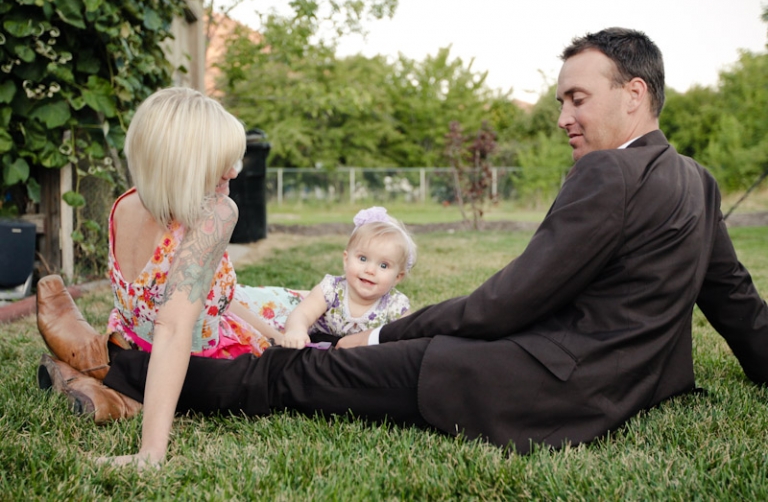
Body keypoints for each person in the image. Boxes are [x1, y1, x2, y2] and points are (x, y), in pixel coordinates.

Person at [42, 27, 768, 468]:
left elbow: (511, 299)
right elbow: (735, 300)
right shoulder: (695, 182)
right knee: (299, 356)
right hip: (607, 386)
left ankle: (121, 367)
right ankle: (113, 374)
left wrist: (381, 330)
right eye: (559, 100)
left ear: (634, 94)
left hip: (527, 385)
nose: (562, 117)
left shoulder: (608, 171)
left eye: (576, 98)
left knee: (294, 376)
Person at [35, 87, 300, 458]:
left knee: (285, 308)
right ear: (184, 163)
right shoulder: (216, 212)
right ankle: (116, 394)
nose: (236, 170)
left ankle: (108, 387)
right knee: (311, 306)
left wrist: (275, 333)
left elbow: (209, 300)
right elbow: (175, 328)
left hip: (132, 345)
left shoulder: (124, 203)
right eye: (221, 159)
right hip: (198, 355)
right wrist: (151, 453)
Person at [281, 206, 415, 349]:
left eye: (383, 265)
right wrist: (296, 330)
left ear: (397, 277)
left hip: (364, 361)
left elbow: (409, 337)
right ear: (346, 260)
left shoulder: (395, 305)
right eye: (363, 258)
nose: (370, 270)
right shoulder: (331, 289)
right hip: (320, 352)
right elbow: (302, 313)